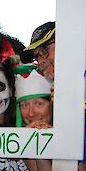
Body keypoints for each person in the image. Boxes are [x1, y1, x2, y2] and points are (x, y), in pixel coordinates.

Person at [21, 21, 86, 171]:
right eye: (36, 57)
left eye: (44, 50)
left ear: (67, 41)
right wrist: (38, 142)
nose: (40, 61)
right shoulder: (61, 95)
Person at [14, 64, 53, 171]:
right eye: (25, 105)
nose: (31, 113)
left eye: (39, 104)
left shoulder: (75, 137)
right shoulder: (15, 145)